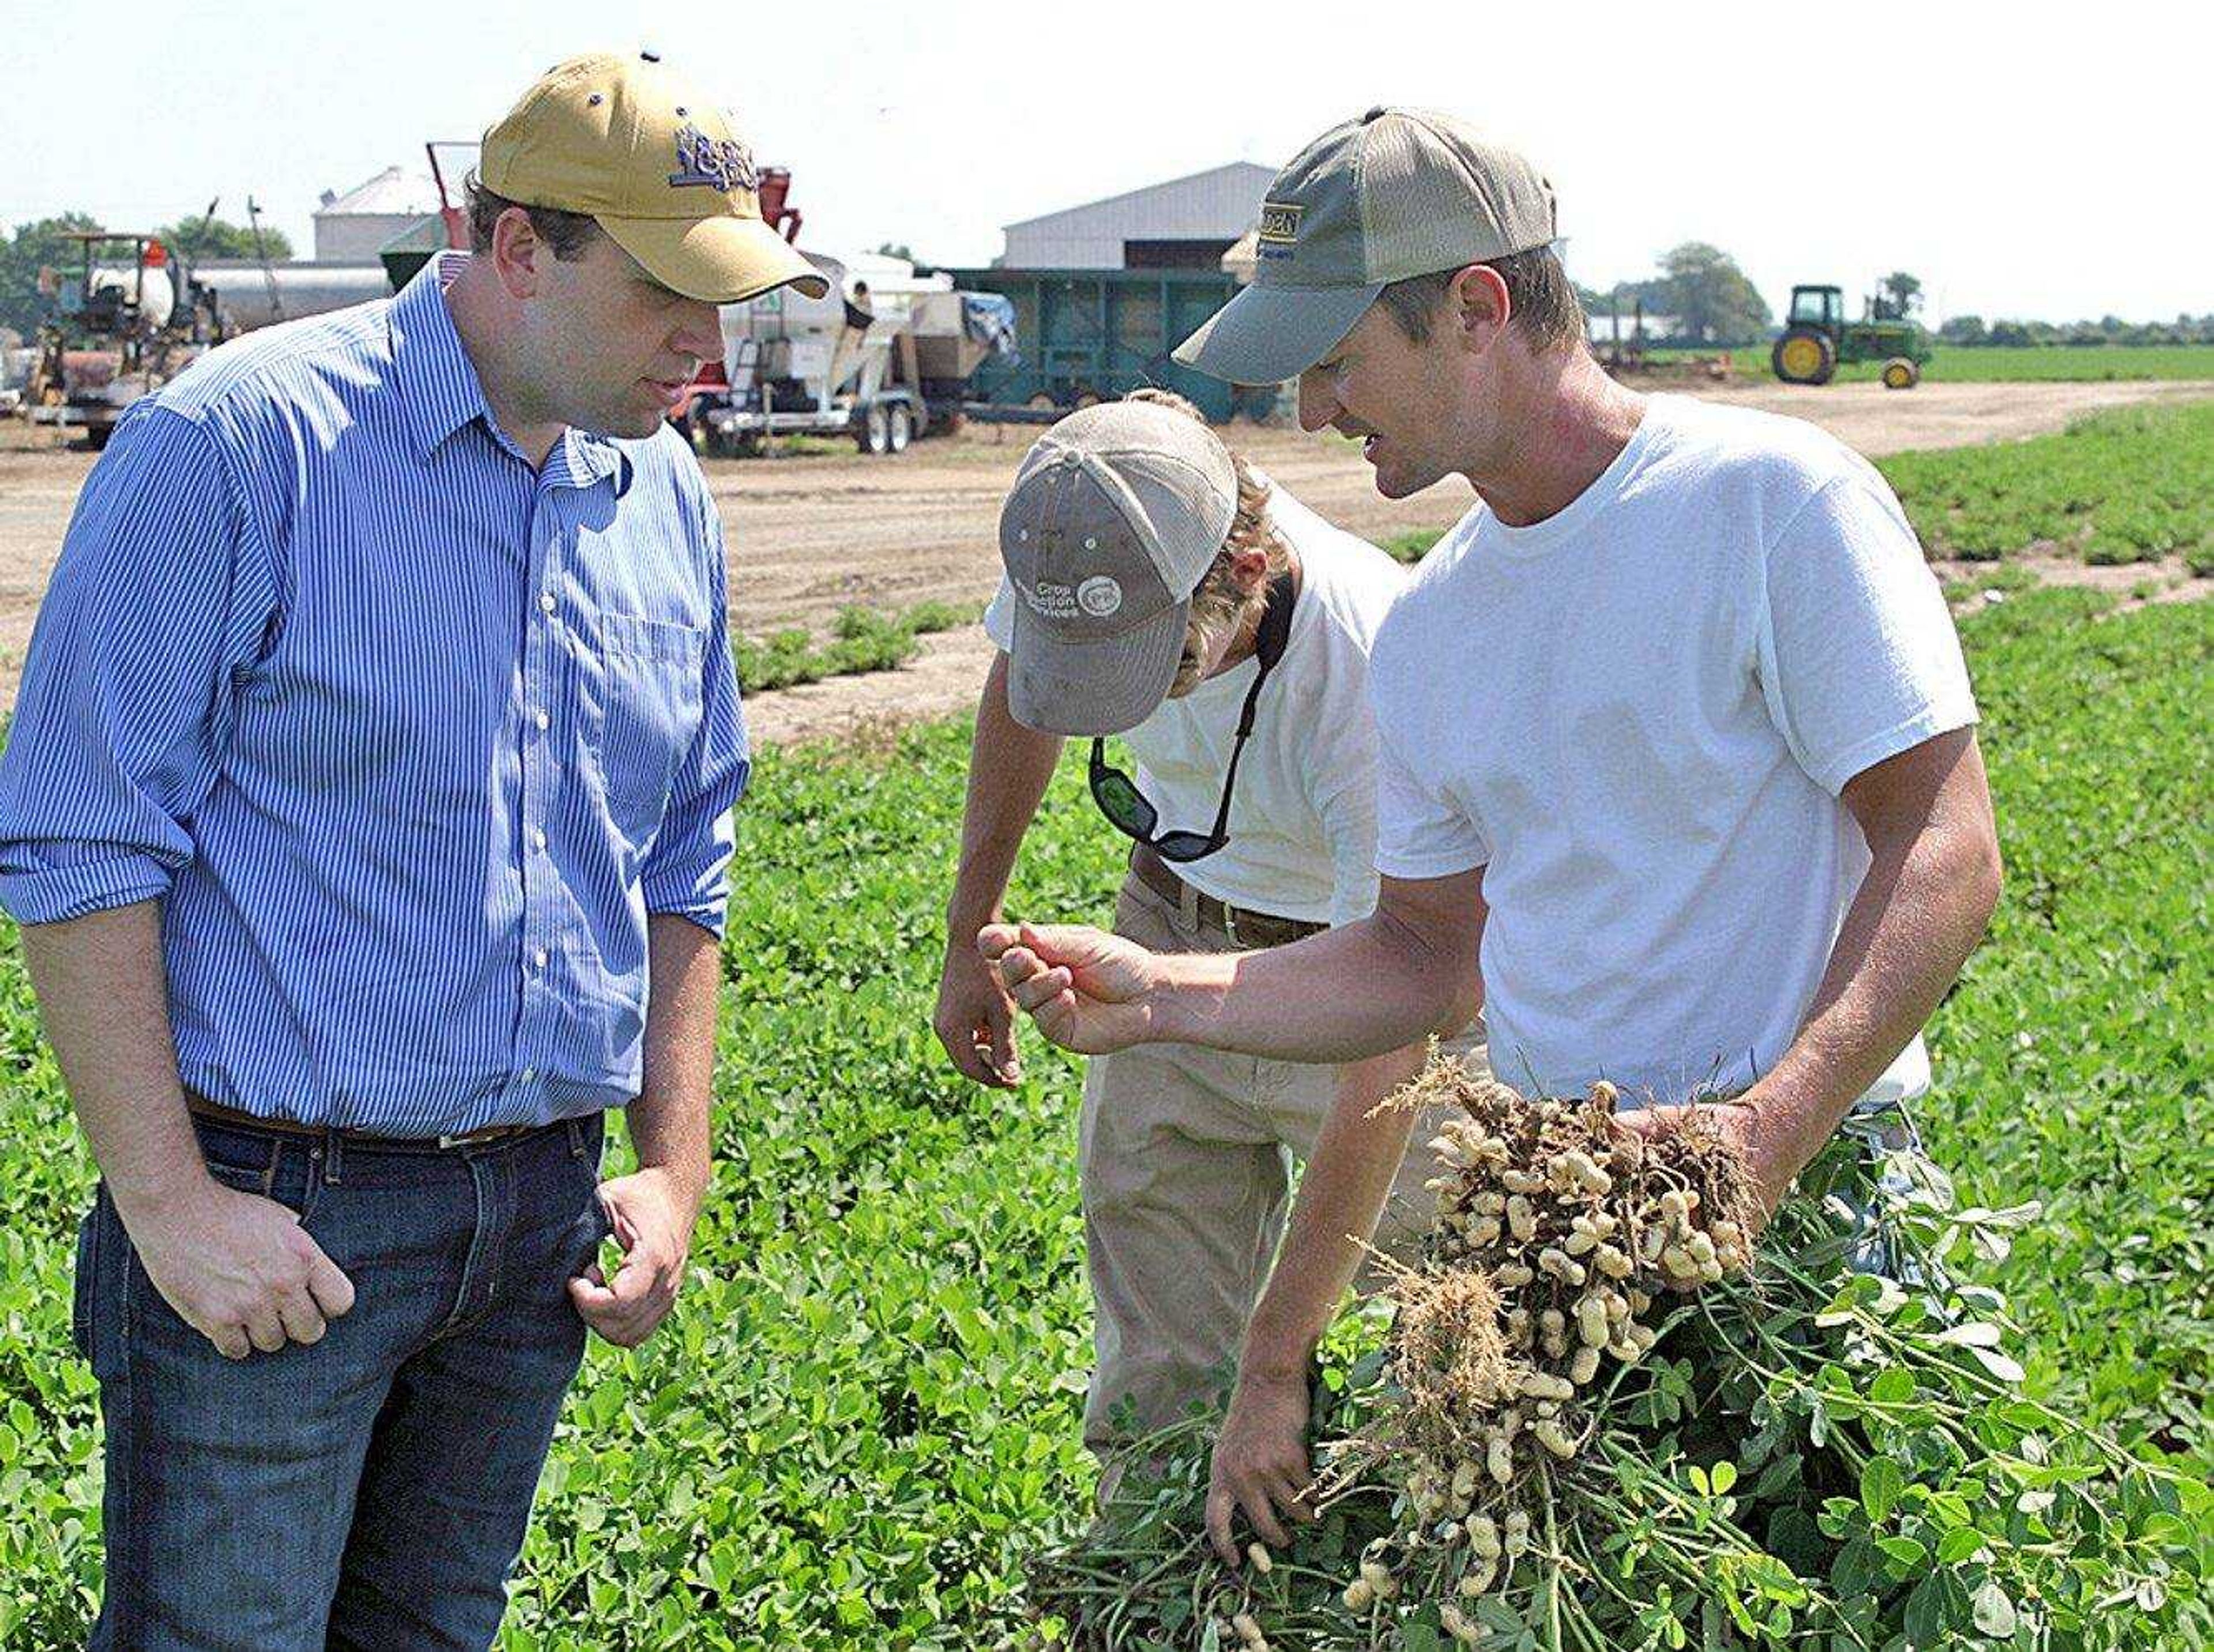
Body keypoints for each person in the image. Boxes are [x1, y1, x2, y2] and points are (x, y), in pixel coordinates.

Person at [984, 107, 2002, 1565]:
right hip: (1551, 1222)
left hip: (1811, 1192)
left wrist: (1768, 1129)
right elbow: (1422, 958)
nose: (1317, 411)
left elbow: (1947, 847)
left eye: (1338, 359)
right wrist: (1167, 995)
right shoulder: (1440, 623)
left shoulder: (1772, 505)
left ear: (1475, 308)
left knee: (1831, 1577)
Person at [0, 52, 824, 1650]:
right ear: (519, 249)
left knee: (436, 1631)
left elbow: (685, 848)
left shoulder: (663, 497)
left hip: (535, 1225)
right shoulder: (239, 450)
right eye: (671, 292)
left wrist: (673, 1160)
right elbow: (81, 838)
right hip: (282, 1217)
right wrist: (168, 1205)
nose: (708, 350)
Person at [935, 388, 1480, 1515]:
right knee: (1158, 1314)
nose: (1124, 700)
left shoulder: (1374, 665)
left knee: (1432, 1324)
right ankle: (1147, 1568)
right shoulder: (1078, 540)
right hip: (1166, 930)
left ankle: (1380, 1582)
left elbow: (1393, 1022)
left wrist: (1277, 1363)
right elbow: (1021, 697)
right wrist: (964, 938)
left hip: (1362, 968)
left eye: (1154, 666)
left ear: (1245, 571)